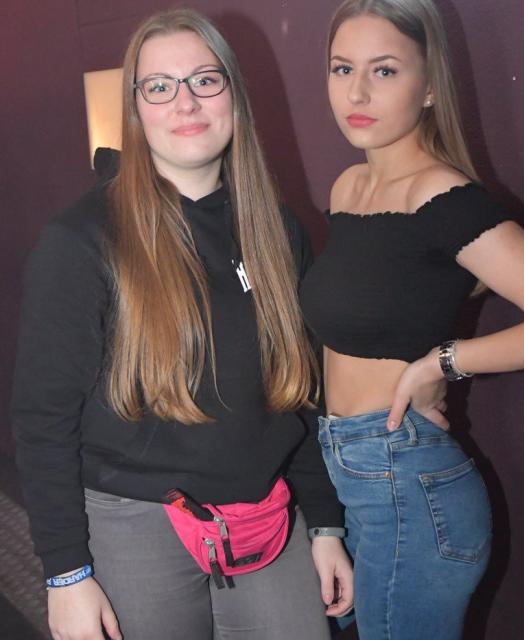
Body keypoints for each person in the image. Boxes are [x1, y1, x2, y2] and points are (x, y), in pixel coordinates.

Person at [11, 8, 352, 640]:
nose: (185, 102)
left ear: (233, 95)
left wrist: (326, 524)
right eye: (160, 86)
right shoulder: (82, 241)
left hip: (265, 512)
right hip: (134, 520)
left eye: (205, 80)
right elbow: (42, 420)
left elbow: (300, 394)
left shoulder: (278, 230)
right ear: (135, 109)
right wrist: (65, 574)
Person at [299, 1, 524, 638]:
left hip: (407, 480)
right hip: (353, 470)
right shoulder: (348, 188)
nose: (356, 92)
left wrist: (441, 364)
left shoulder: (442, 196)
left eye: (385, 70)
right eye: (342, 68)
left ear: (430, 86)